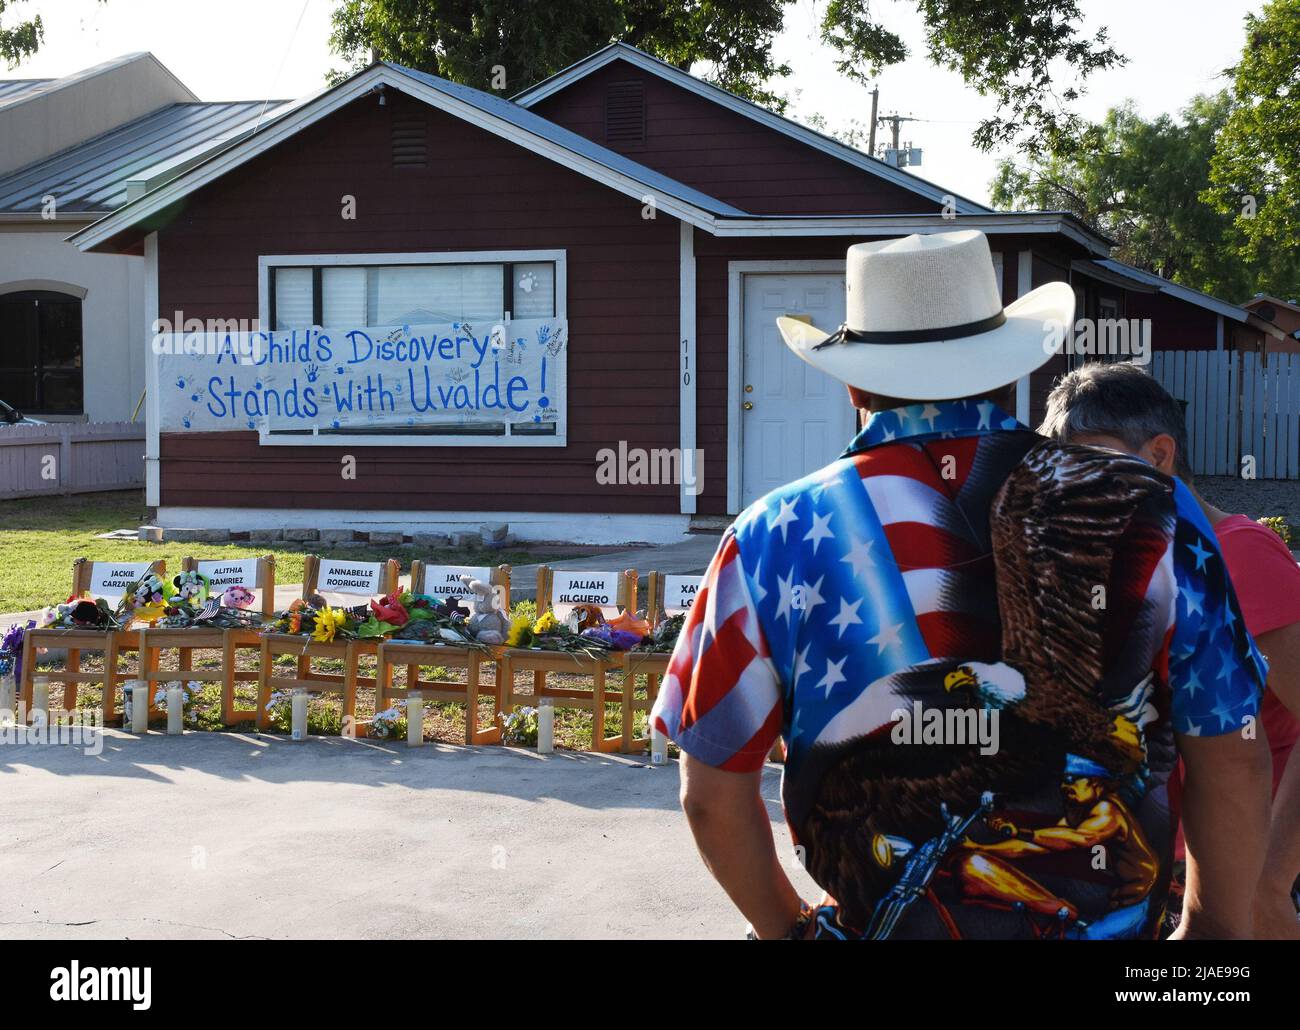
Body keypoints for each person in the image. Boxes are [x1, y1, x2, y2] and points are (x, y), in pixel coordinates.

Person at [650, 229, 1272, 940]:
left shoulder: (770, 536)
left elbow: (711, 793)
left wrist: (788, 930)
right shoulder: (1156, 509)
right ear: (1008, 370)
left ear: (854, 383)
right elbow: (1232, 751)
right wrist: (1216, 932)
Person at [1040, 360, 1300, 939]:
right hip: (1162, 864)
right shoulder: (1128, 556)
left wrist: (1269, 877)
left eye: (1093, 461)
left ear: (1159, 455)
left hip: (1229, 878)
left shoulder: (1240, 557)